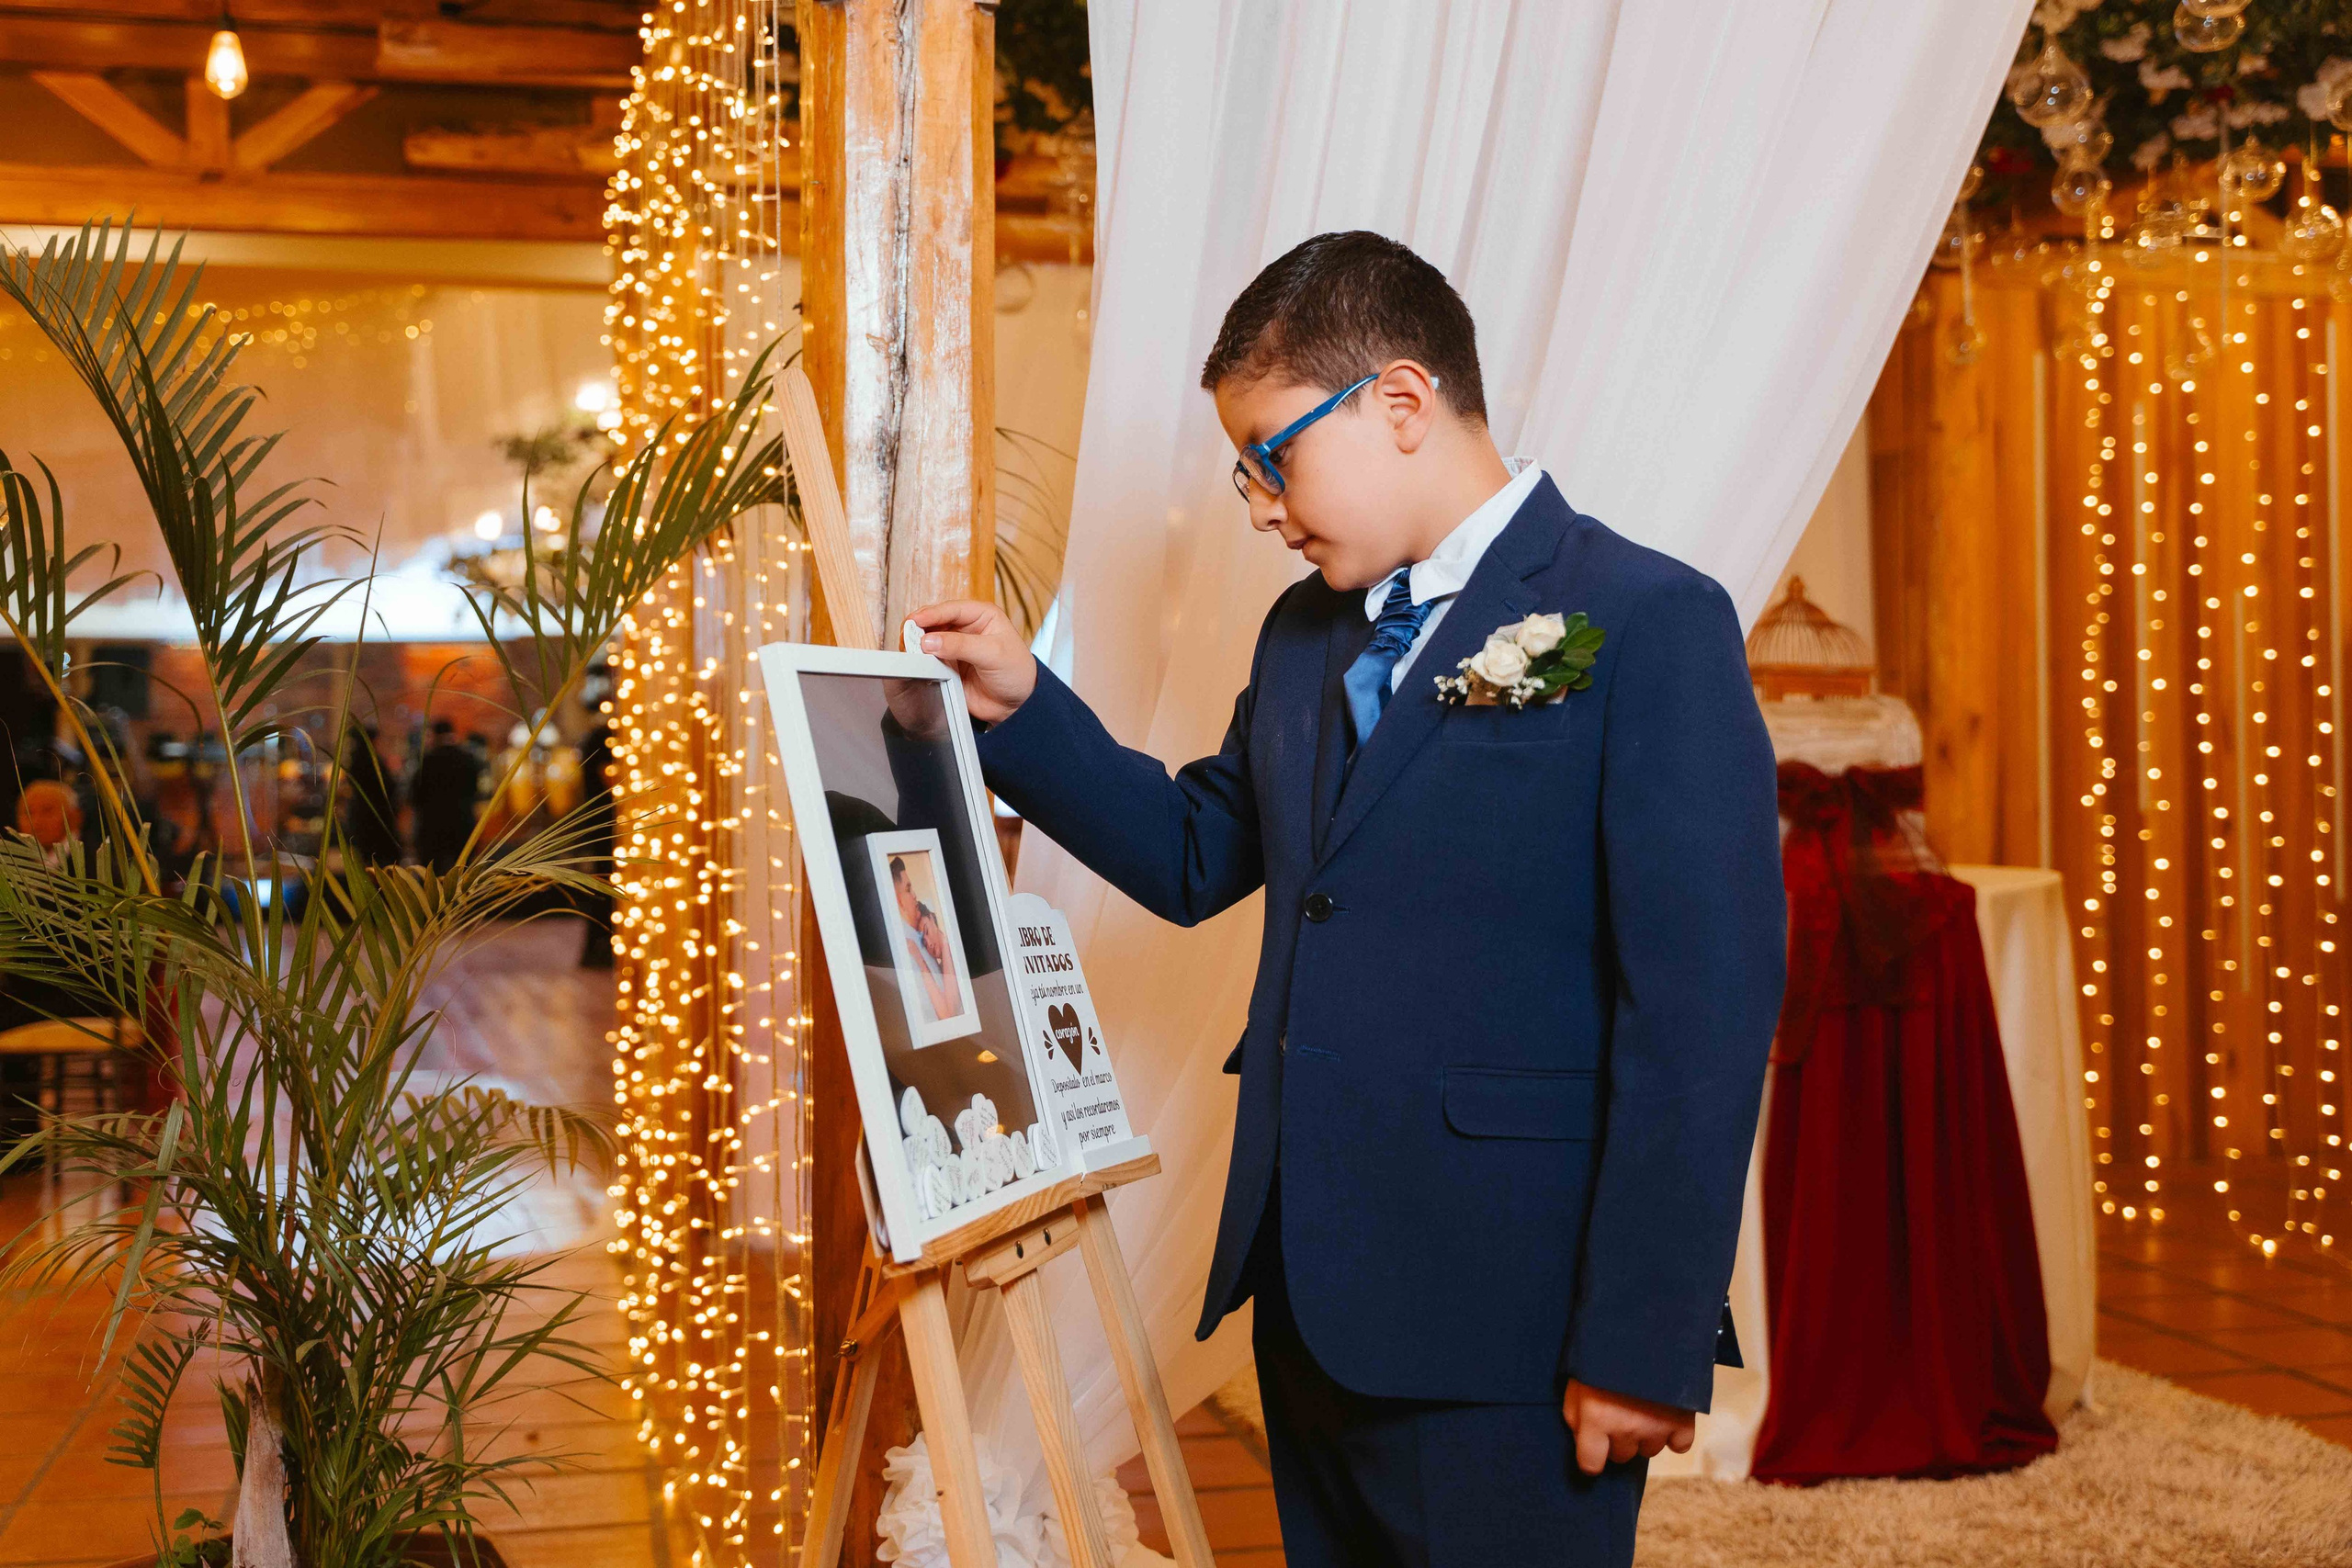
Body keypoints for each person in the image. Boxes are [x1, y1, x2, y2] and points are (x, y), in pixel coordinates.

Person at [912, 232, 1785, 1567]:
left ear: (1398, 401)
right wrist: (1029, 712)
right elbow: (1203, 849)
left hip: (1517, 1313)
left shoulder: (1643, 617)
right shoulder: (1307, 632)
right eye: (1243, 472)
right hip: (1311, 1287)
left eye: (1273, 456)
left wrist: (1645, 1333)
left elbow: (1703, 1012)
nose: (1259, 504)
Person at [411, 718, 482, 874]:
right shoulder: (468, 759)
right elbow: (475, 790)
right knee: (463, 871)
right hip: (462, 823)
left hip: (433, 827)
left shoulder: (427, 761)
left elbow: (415, 796)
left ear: (435, 735)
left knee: (432, 876)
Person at [339, 724, 403, 868]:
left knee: (368, 858)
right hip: (376, 817)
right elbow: (387, 788)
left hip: (363, 816)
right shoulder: (371, 760)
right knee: (380, 859)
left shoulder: (356, 759)